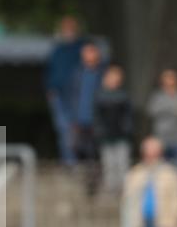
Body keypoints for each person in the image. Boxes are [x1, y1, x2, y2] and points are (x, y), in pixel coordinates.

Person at [146, 69, 177, 204]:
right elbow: (152, 110)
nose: (169, 81)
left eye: (172, 78)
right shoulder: (157, 96)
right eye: (166, 78)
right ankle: (163, 203)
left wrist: (166, 108)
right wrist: (173, 108)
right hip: (161, 140)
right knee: (160, 174)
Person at [44, 16, 85, 166]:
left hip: (75, 95)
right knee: (63, 130)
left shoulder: (81, 48)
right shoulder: (58, 50)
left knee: (77, 130)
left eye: (70, 29)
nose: (68, 32)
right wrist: (50, 88)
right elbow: (50, 71)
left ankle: (80, 163)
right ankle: (69, 163)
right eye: (65, 29)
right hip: (58, 95)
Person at [70, 42, 104, 193]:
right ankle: (85, 179)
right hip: (80, 119)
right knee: (78, 149)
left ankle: (94, 182)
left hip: (96, 120)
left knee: (94, 151)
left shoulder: (102, 74)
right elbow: (73, 96)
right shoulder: (78, 73)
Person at [94, 65, 132, 192]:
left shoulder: (123, 96)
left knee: (122, 164)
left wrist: (127, 130)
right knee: (109, 165)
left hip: (121, 135)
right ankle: (111, 191)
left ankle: (124, 190)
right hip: (106, 137)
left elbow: (127, 117)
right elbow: (97, 117)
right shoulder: (100, 96)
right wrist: (100, 132)